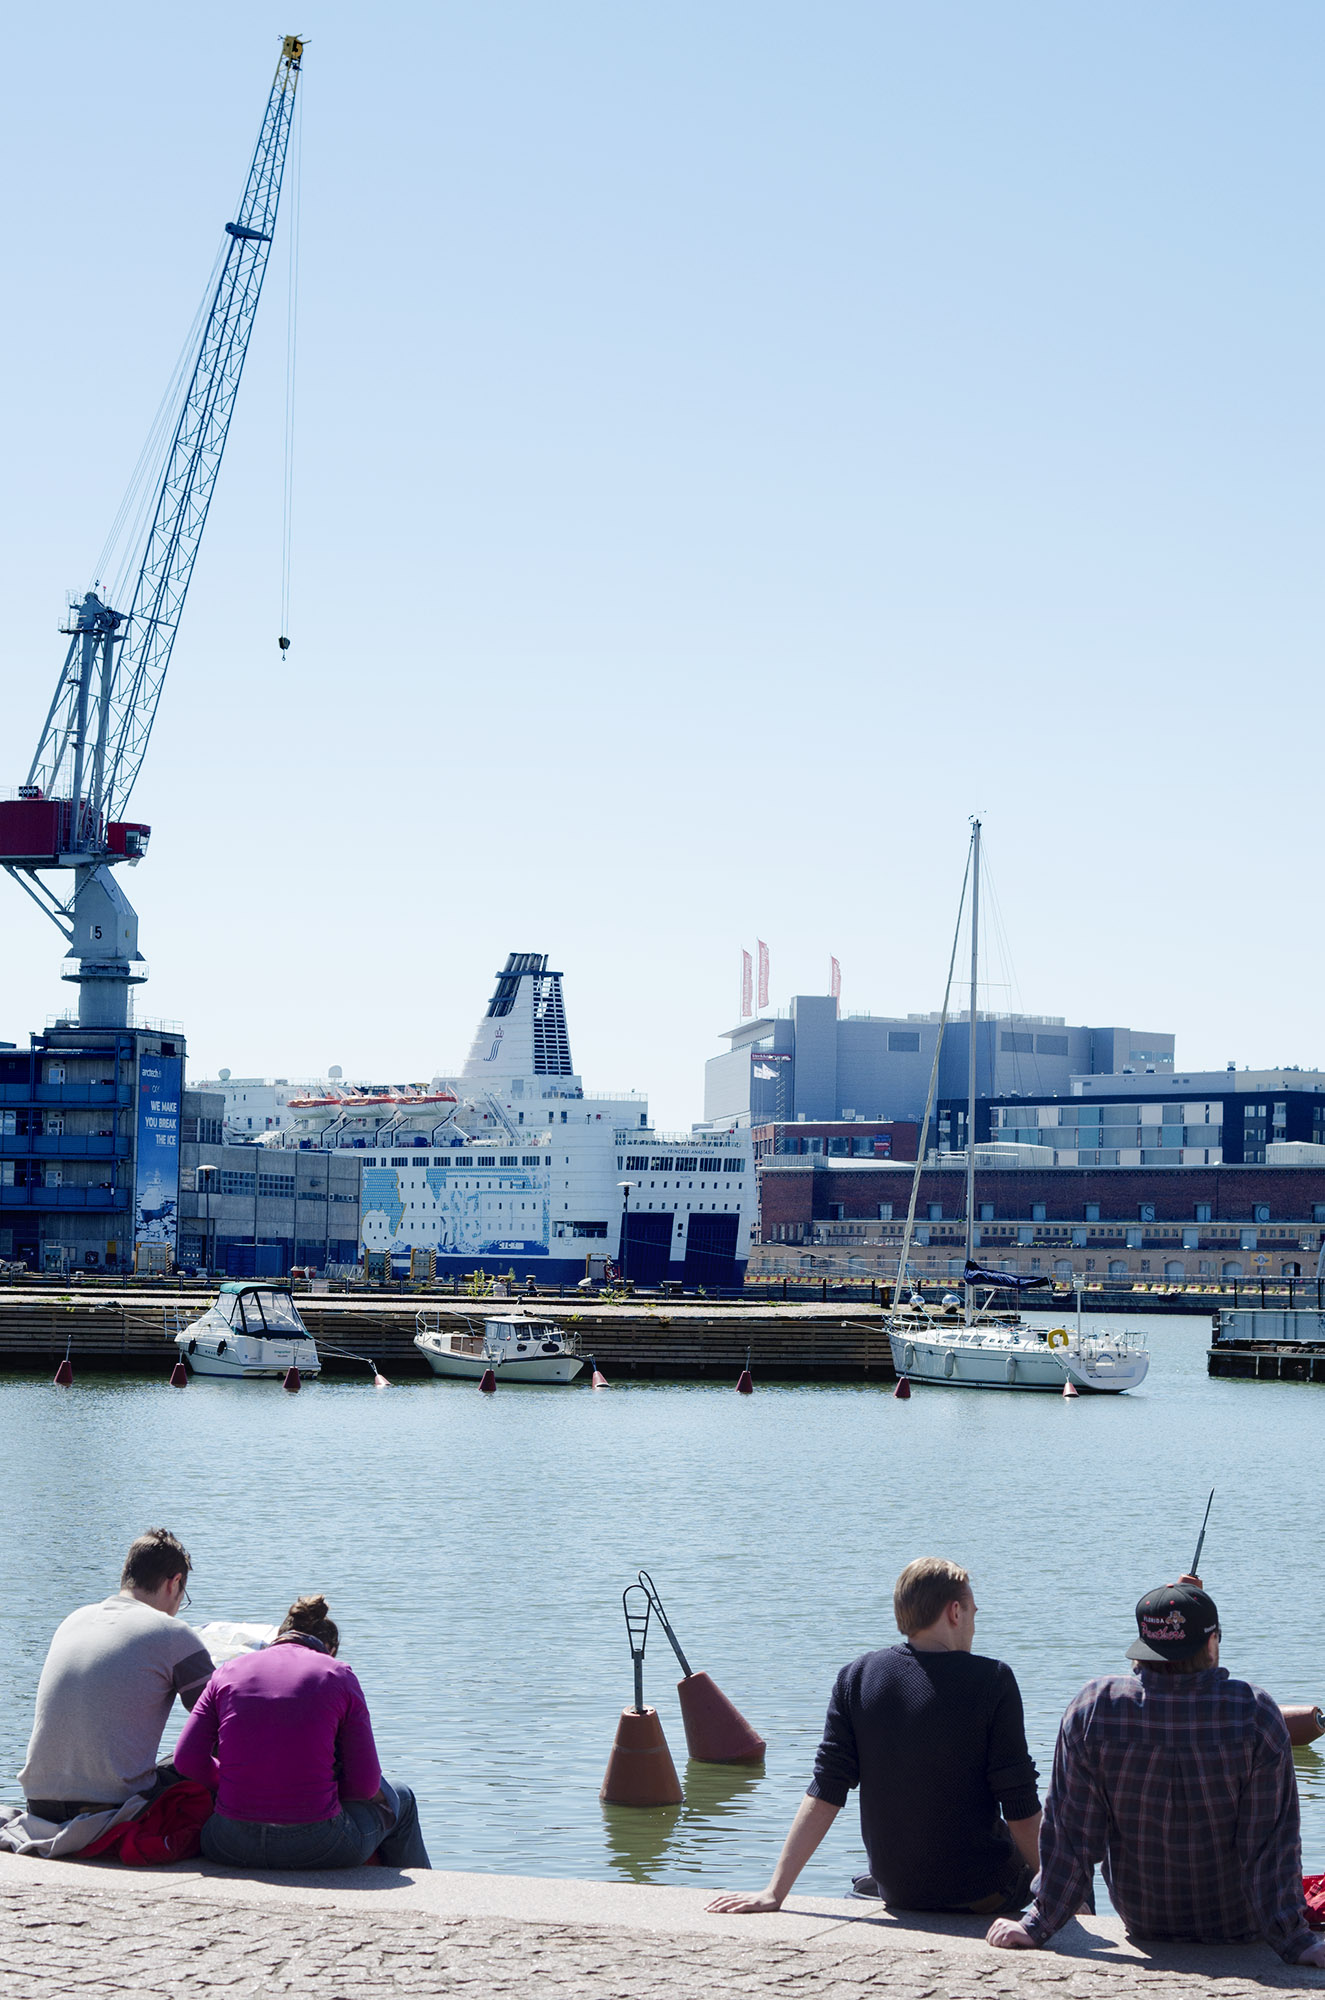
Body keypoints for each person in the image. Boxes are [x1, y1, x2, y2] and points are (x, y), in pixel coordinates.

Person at [987, 1578, 1325, 1967]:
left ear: (1143, 1645)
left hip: (1145, 1920)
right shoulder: (1256, 1715)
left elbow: (1071, 1837)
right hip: (1238, 1924)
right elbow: (1271, 1849)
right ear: (1212, 1642)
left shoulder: (1092, 1709)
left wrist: (1038, 1923)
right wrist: (1297, 1942)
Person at [707, 1557, 1040, 1917]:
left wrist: (774, 1891)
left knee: (871, 1875)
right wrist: (1065, 1891)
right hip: (980, 1893)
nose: (974, 1625)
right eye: (974, 1613)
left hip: (899, 1890)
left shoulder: (857, 1677)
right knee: (1061, 1843)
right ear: (955, 1612)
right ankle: (1078, 1910)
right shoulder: (993, 1680)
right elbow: (1019, 1803)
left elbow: (826, 1790)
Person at [174, 1592, 431, 1870]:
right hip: (317, 1846)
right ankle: (425, 1901)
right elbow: (366, 1784)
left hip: (228, 1842)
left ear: (278, 1637)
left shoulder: (227, 1672)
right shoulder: (339, 1675)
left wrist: (229, 1780)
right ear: (330, 1649)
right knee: (401, 1797)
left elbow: (186, 1760)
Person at [19, 1528, 213, 1822]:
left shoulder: (74, 1620)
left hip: (39, 1804)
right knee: (198, 1757)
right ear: (174, 1583)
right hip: (111, 1808)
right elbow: (226, 1720)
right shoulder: (172, 1633)